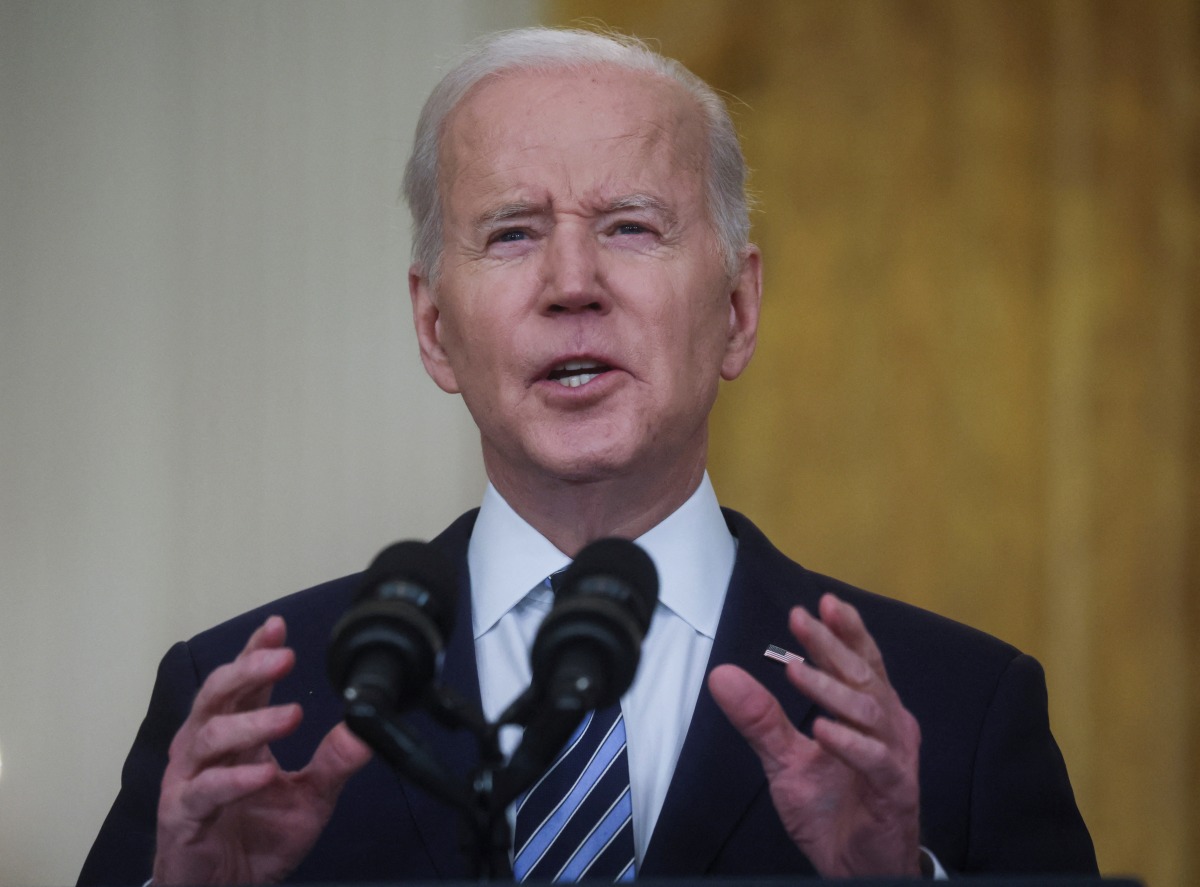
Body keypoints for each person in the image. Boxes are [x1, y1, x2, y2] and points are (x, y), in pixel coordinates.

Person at [78, 27, 1096, 885]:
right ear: (434, 328)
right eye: (513, 233)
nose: (573, 282)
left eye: (630, 226)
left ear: (737, 310)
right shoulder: (254, 711)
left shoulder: (954, 712)